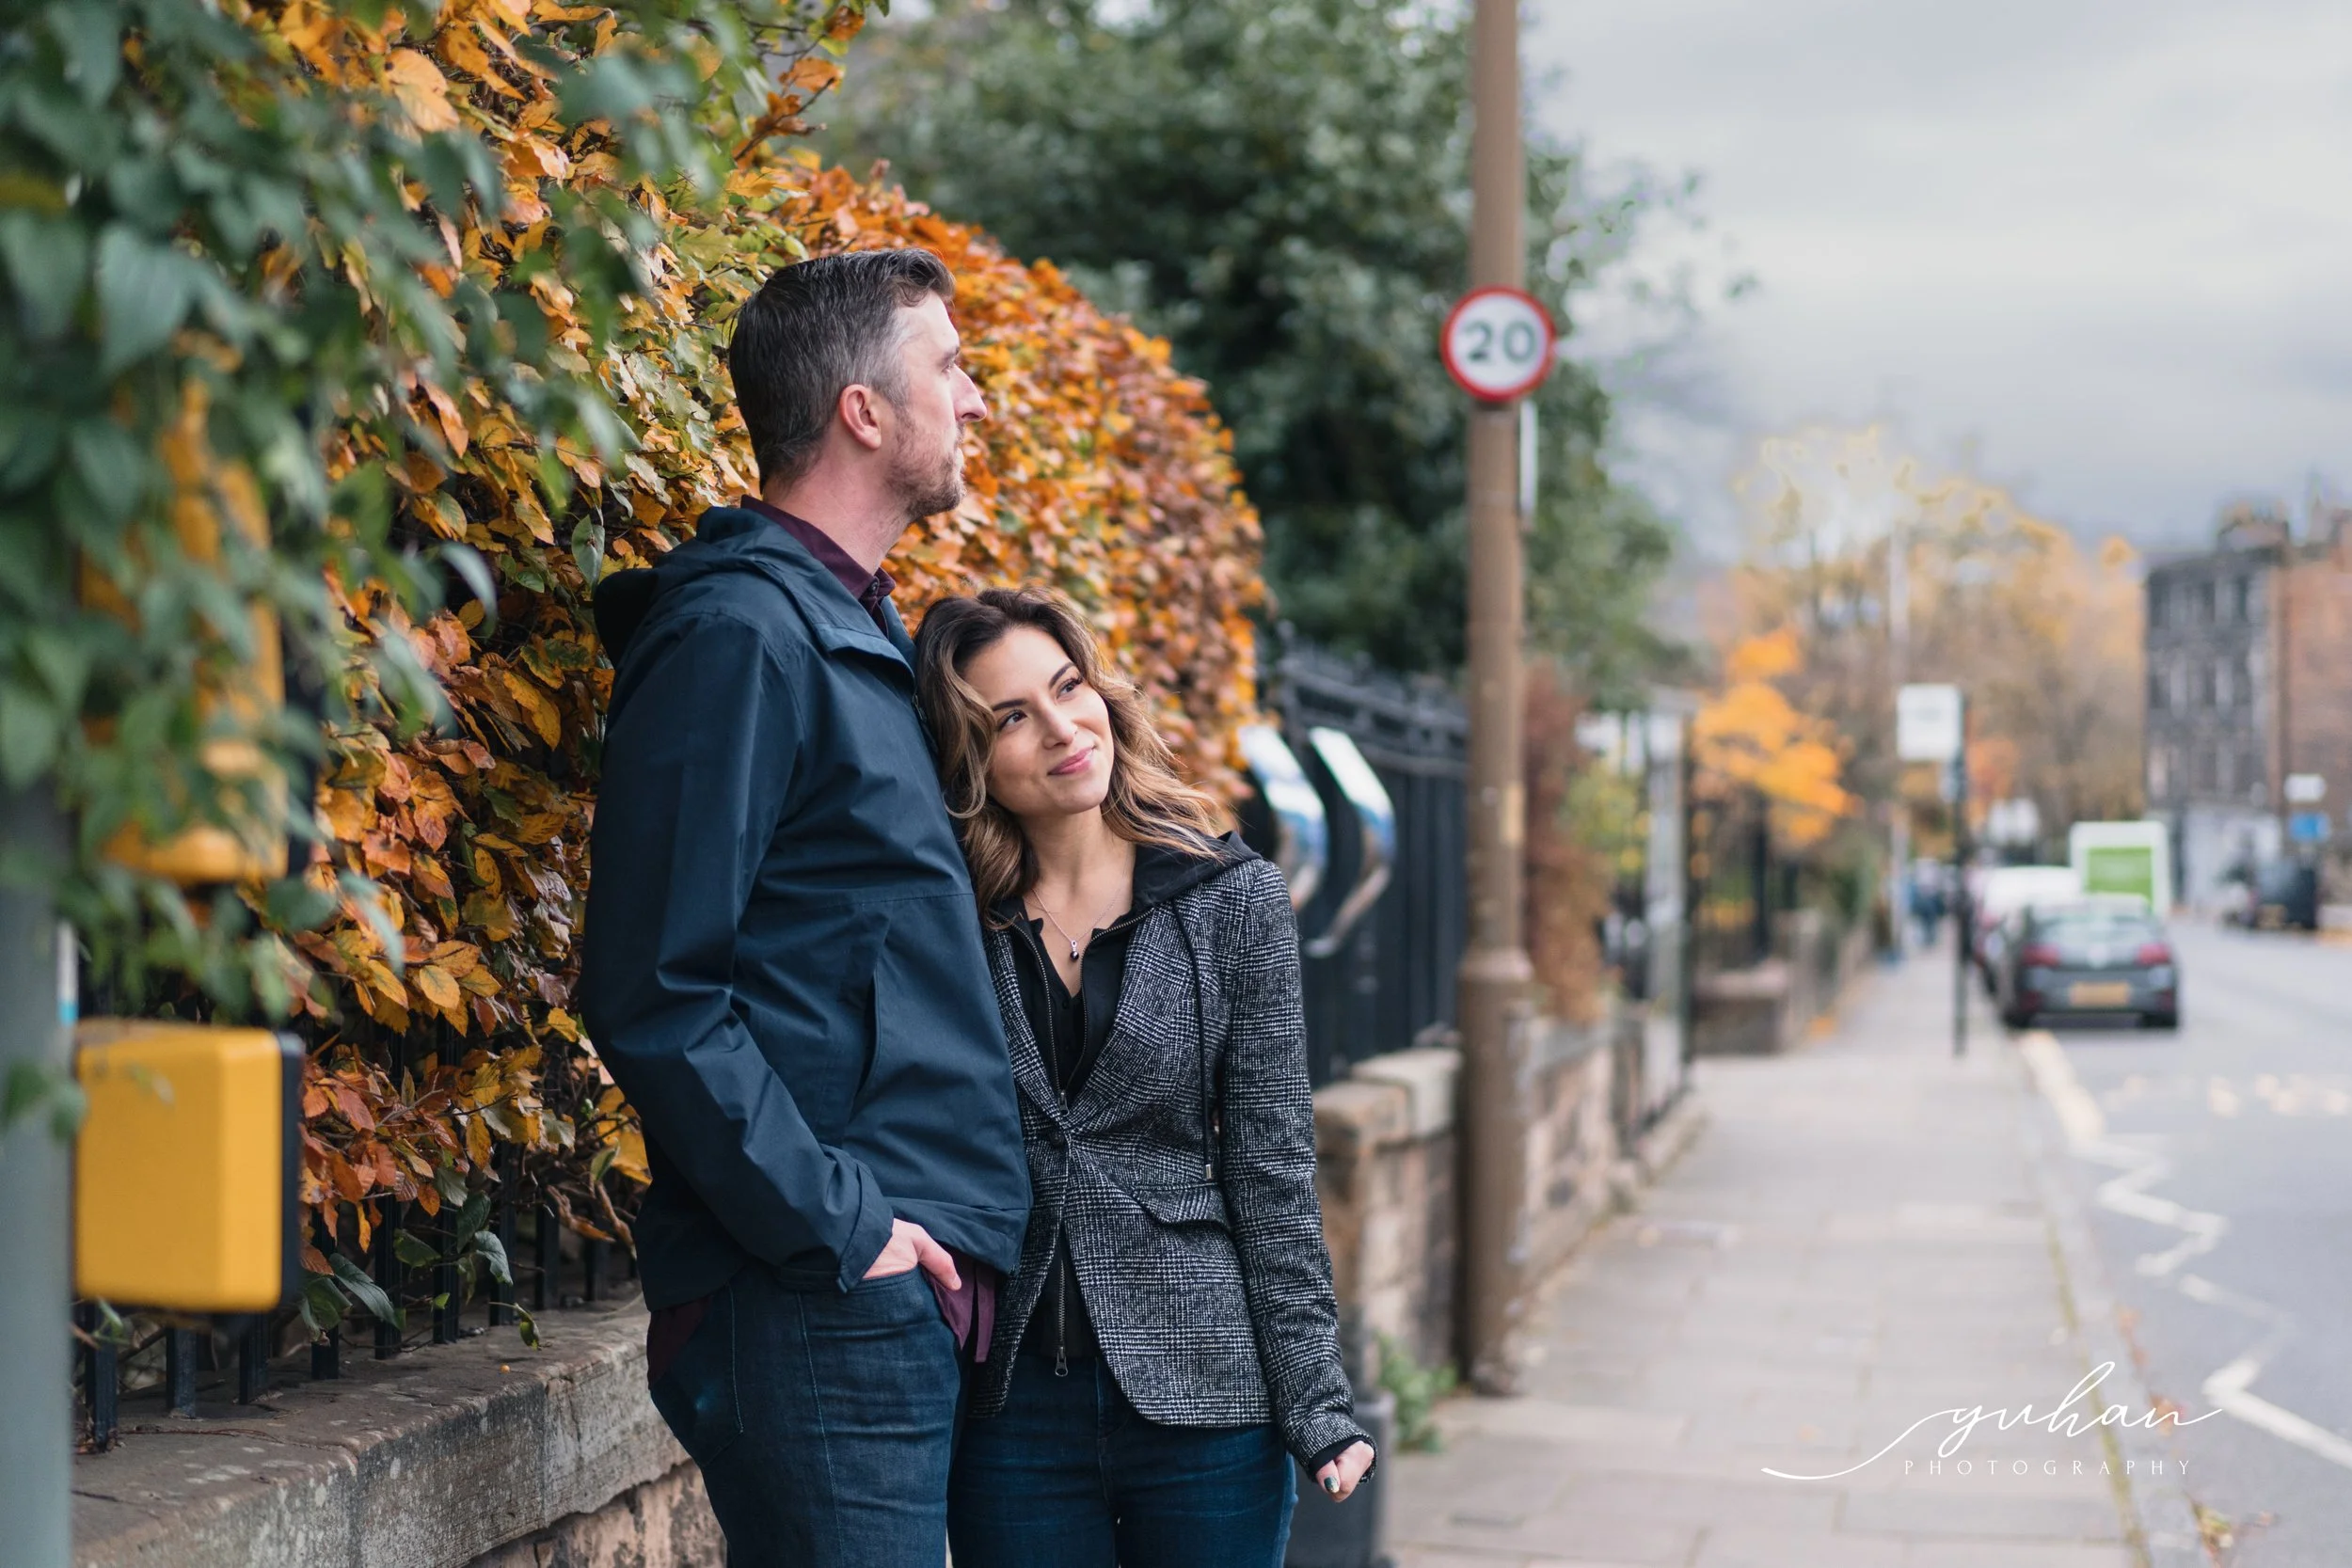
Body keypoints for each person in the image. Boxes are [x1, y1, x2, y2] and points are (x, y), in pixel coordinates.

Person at [580, 248, 1030, 1568]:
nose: (977, 398)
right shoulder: (742, 636)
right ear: (863, 409)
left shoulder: (846, 633)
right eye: (948, 365)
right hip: (815, 1294)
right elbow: (656, 988)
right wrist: (847, 1226)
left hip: (869, 1288)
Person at [911, 586, 1376, 1568]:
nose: (1060, 728)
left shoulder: (1232, 898)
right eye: (1011, 718)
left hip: (1206, 1399)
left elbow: (1272, 1166)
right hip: (1011, 1412)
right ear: (972, 760)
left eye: (1066, 687)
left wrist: (1316, 1401)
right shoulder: (956, 917)